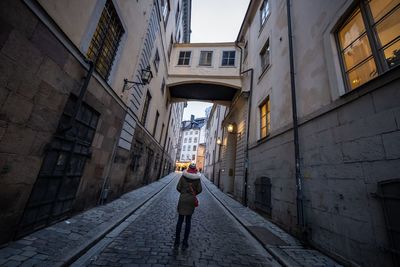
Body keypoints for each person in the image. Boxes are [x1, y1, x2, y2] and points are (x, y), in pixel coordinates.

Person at [174, 162, 202, 250]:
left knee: (180, 220)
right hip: (191, 201)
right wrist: (193, 194)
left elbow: (178, 187)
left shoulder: (183, 177)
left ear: (188, 168)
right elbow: (200, 190)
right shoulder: (197, 179)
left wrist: (183, 193)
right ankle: (185, 242)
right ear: (195, 169)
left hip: (182, 199)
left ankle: (177, 241)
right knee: (188, 222)